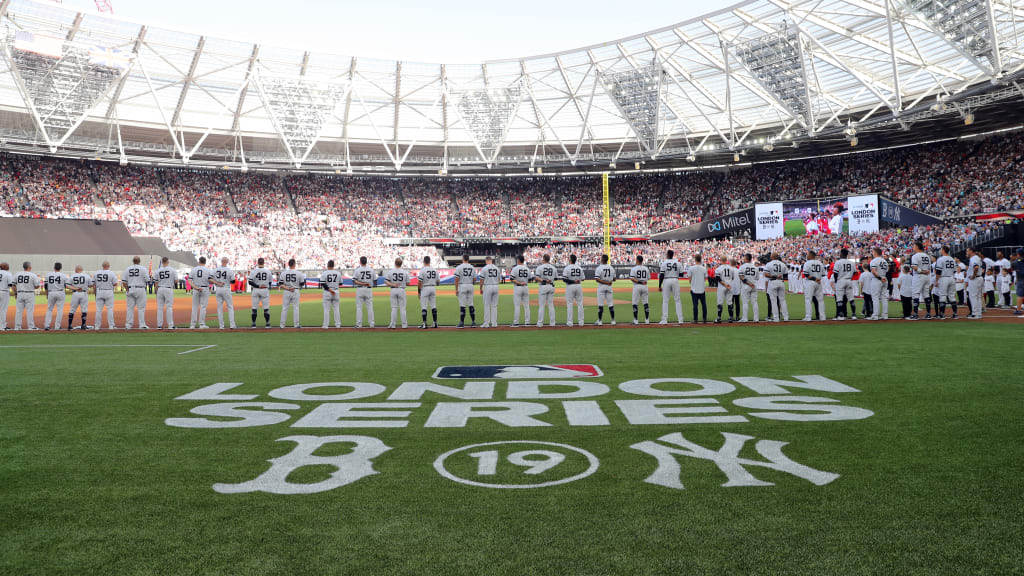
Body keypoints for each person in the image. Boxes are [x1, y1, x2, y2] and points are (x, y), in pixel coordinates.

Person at [122, 256, 150, 330]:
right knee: (141, 308)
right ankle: (142, 324)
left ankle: (128, 325)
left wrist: (127, 290)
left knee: (130, 308)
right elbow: (147, 280)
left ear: (133, 261)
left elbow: (124, 282)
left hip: (131, 288)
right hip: (140, 288)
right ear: (139, 261)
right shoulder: (143, 269)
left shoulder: (127, 269)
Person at [658, 249, 684, 324]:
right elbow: (681, 274)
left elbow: (662, 275)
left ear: (667, 255)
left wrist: (659, 285)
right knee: (677, 300)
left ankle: (664, 319)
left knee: (665, 300)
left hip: (666, 280)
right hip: (675, 280)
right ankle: (680, 319)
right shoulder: (678, 263)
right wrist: (674, 274)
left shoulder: (664, 263)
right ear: (672, 255)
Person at [212, 257, 237, 330]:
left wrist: (217, 282)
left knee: (219, 307)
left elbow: (210, 279)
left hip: (218, 288)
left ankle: (221, 326)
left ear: (221, 261)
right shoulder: (229, 270)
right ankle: (232, 324)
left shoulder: (215, 270)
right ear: (227, 262)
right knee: (230, 307)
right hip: (226, 288)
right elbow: (233, 281)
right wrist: (226, 281)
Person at [13, 261, 40, 330]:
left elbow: (13, 285)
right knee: (29, 311)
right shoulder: (33, 275)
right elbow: (37, 286)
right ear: (29, 267)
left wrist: (15, 293)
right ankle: (31, 326)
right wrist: (30, 286)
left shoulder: (17, 274)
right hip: (29, 294)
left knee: (19, 311)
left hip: (20, 293)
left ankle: (17, 327)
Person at [910, 242, 933, 319]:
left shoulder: (915, 256)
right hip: (927, 276)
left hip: (919, 276)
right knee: (926, 295)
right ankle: (928, 313)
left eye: (914, 246)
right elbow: (929, 268)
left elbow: (915, 268)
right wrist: (925, 272)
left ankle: (916, 314)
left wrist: (922, 271)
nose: (913, 247)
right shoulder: (927, 256)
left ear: (917, 247)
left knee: (916, 294)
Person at [189, 257, 213, 330]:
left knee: (194, 307)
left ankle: (192, 324)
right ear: (205, 262)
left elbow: (189, 281)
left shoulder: (194, 269)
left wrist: (195, 287)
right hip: (205, 288)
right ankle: (201, 324)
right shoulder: (208, 270)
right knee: (203, 307)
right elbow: (211, 280)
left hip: (196, 288)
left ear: (199, 261)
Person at [92, 262, 118, 330]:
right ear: (109, 266)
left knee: (98, 310)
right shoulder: (111, 273)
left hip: (99, 291)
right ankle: (111, 326)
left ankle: (97, 326)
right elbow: (115, 284)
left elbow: (94, 285)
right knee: (110, 309)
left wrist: (95, 294)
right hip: (109, 291)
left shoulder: (96, 273)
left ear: (102, 266)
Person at [248, 258, 273, 328]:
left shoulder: (253, 271)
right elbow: (270, 282)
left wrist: (258, 285)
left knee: (254, 308)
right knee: (266, 308)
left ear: (257, 263)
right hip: (265, 290)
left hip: (256, 289)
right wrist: (265, 285)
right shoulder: (268, 271)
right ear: (264, 263)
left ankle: (253, 324)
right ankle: (267, 324)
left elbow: (250, 282)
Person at [800, 251, 825, 322]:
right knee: (820, 300)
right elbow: (823, 274)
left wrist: (814, 278)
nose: (807, 256)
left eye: (808, 254)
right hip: (819, 282)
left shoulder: (807, 263)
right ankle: (822, 316)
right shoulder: (820, 263)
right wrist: (817, 278)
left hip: (810, 282)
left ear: (811, 255)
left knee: (808, 299)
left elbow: (806, 275)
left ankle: (808, 317)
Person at [44, 262, 69, 331]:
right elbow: (66, 285)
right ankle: (57, 326)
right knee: (60, 310)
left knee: (49, 309)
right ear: (60, 268)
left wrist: (46, 294)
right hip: (60, 292)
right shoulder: (63, 275)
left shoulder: (48, 275)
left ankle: (47, 325)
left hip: (51, 292)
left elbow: (46, 286)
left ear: (54, 267)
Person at [454, 254, 477, 329]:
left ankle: (462, 323)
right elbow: (474, 279)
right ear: (468, 259)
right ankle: (473, 322)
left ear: (463, 259)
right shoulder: (472, 267)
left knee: (462, 305)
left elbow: (456, 279)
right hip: (470, 285)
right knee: (471, 304)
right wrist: (471, 283)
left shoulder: (459, 267)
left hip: (462, 285)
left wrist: (456, 289)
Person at [934, 246, 957, 319]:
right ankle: (955, 314)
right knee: (952, 296)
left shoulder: (940, 259)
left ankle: (942, 314)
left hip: (944, 278)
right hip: (951, 277)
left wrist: (937, 280)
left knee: (943, 295)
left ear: (943, 250)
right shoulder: (952, 259)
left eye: (941, 249)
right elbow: (954, 271)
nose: (940, 250)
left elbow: (938, 271)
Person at [154, 257, 178, 330]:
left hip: (160, 289)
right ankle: (170, 325)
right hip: (168, 288)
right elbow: (176, 281)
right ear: (168, 261)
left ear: (161, 262)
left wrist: (156, 291)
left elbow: (156, 283)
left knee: (160, 308)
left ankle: (159, 325)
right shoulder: (172, 270)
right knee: (169, 307)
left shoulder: (157, 270)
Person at [386, 257, 409, 329]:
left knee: (394, 308)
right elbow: (408, 283)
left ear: (395, 263)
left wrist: (393, 284)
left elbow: (386, 282)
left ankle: (393, 324)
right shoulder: (405, 272)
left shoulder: (391, 271)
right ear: (401, 264)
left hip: (393, 289)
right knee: (402, 308)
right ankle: (404, 325)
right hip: (402, 289)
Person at [353, 256, 376, 329]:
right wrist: (367, 283)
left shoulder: (357, 270)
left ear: (360, 262)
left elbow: (354, 281)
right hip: (368, 289)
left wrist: (362, 283)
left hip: (360, 289)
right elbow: (375, 281)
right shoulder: (371, 270)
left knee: (359, 307)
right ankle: (371, 324)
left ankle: (359, 324)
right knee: (370, 307)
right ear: (366, 261)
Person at [764, 253, 788, 322]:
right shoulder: (783, 264)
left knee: (773, 301)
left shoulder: (769, 264)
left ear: (772, 257)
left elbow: (766, 274)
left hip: (773, 282)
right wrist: (780, 276)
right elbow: (786, 276)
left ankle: (776, 318)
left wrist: (774, 276)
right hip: (781, 282)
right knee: (783, 300)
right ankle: (786, 317)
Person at [534, 254, 557, 328]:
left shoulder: (540, 267)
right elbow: (556, 278)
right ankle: (552, 323)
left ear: (543, 259)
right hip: (551, 286)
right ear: (549, 259)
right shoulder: (553, 268)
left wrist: (544, 280)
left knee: (542, 305)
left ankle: (540, 323)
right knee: (551, 305)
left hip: (543, 286)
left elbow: (537, 278)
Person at [509, 254, 532, 328]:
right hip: (525, 287)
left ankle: (516, 323)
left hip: (518, 287)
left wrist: (519, 282)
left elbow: (512, 279)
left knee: (517, 306)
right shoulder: (527, 269)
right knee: (526, 306)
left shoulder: (515, 268)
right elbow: (531, 278)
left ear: (518, 260)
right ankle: (527, 322)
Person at [478, 256, 501, 329]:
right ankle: (494, 323)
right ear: (491, 260)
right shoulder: (497, 268)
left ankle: (486, 323)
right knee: (494, 305)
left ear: (486, 260)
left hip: (488, 286)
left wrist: (481, 288)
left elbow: (481, 280)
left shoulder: (484, 268)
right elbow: (499, 280)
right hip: (496, 286)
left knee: (486, 305)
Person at [562, 254, 585, 327]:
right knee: (580, 304)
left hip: (570, 286)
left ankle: (570, 322)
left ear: (570, 260)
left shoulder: (567, 268)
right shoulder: (579, 268)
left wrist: (573, 281)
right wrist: (577, 280)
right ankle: (581, 322)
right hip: (578, 286)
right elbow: (583, 278)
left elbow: (564, 279)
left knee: (569, 304)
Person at [67, 265, 92, 330]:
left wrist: (75, 288)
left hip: (75, 293)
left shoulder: (72, 276)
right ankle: (83, 325)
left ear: (76, 270)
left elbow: (67, 285)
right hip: (84, 293)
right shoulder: (86, 276)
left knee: (72, 309)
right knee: (84, 309)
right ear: (82, 270)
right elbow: (91, 285)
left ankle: (69, 325)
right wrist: (85, 286)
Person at [594, 254, 616, 326]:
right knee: (610, 304)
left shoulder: (599, 268)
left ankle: (600, 321)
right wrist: (609, 281)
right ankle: (613, 320)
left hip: (602, 286)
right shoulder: (611, 268)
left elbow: (597, 279)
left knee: (600, 304)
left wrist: (606, 282)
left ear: (602, 259)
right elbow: (614, 279)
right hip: (609, 286)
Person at [713, 258, 736, 323]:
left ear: (721, 261)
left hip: (722, 286)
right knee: (730, 301)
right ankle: (731, 318)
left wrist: (725, 284)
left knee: (720, 302)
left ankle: (719, 318)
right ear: (726, 261)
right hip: (730, 285)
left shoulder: (718, 268)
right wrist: (728, 284)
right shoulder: (731, 268)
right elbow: (733, 278)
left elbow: (718, 279)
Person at [869, 248, 890, 321]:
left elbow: (874, 272)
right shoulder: (884, 261)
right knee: (884, 297)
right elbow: (887, 270)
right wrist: (882, 277)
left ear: (875, 253)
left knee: (875, 298)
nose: (872, 253)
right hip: (884, 278)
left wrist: (880, 277)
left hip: (877, 279)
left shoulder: (874, 261)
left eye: (873, 252)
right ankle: (885, 315)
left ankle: (875, 315)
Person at [418, 255, 439, 329]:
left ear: (424, 261)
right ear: (430, 261)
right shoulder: (434, 270)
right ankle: (435, 323)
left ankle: (424, 323)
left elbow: (419, 282)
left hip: (425, 288)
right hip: (433, 288)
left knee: (424, 306)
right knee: (433, 306)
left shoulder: (422, 270)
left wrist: (419, 292)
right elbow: (438, 282)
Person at [320, 260, 342, 329]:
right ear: (333, 265)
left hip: (327, 292)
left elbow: (323, 284)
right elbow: (341, 283)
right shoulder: (338, 273)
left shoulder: (324, 273)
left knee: (326, 310)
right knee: (336, 309)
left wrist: (330, 289)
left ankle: (326, 325)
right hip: (336, 291)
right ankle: (338, 325)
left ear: (327, 265)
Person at [737, 254, 759, 323]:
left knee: (745, 303)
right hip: (754, 285)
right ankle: (756, 319)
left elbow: (741, 277)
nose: (743, 259)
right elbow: (757, 278)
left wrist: (749, 283)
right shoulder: (755, 267)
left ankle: (745, 318)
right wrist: (752, 283)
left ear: (746, 259)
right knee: (754, 302)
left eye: (744, 258)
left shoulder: (742, 267)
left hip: (745, 286)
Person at [629, 254, 650, 325]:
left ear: (637, 260)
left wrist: (639, 281)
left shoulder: (634, 269)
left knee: (635, 303)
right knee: (646, 303)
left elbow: (632, 278)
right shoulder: (646, 268)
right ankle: (647, 320)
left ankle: (635, 320)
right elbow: (648, 278)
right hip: (645, 286)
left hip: (637, 286)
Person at [688, 254, 709, 323]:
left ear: (695, 259)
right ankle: (704, 318)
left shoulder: (691, 268)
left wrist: (692, 283)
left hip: (694, 289)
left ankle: (695, 319)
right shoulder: (703, 268)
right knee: (704, 304)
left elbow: (689, 279)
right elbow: (705, 278)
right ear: (701, 259)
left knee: (695, 305)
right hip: (702, 289)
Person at [966, 247, 984, 319]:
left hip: (975, 279)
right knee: (978, 296)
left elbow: (976, 267)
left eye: (967, 251)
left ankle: (975, 313)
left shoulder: (973, 258)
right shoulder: (977, 257)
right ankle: (978, 313)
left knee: (973, 296)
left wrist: (973, 275)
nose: (966, 252)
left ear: (971, 251)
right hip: (979, 278)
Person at [0, 262, 11, 331]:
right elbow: (10, 284)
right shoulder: (7, 273)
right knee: (3, 310)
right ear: (5, 267)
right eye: (8, 266)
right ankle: (2, 326)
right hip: (4, 292)